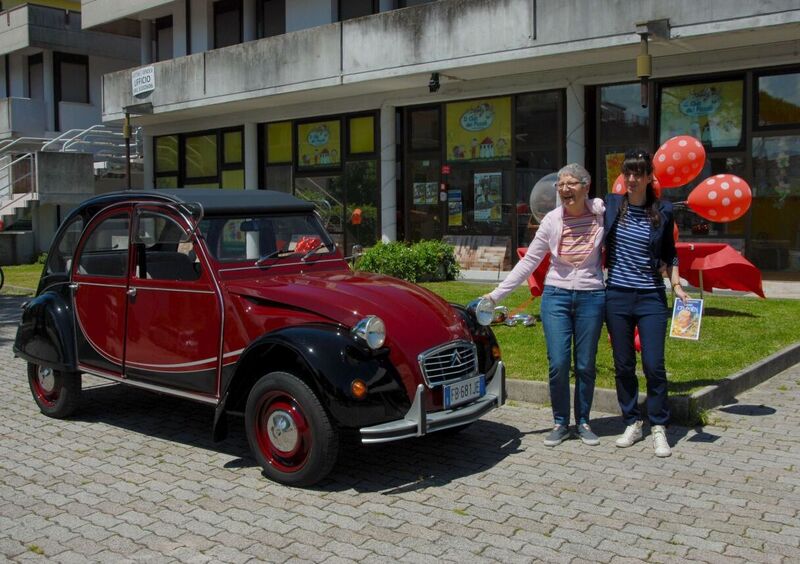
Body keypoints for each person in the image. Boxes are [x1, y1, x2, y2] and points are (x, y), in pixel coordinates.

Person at [484, 164, 606, 447]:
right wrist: (495, 296)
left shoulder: (601, 215)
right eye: (560, 185)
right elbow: (529, 262)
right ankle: (561, 422)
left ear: (586, 186)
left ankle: (584, 421)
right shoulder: (552, 220)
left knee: (586, 364)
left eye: (571, 184)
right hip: (556, 297)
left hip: (592, 296)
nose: (564, 189)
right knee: (559, 363)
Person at [604, 149, 690, 458]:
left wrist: (677, 286)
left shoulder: (663, 210)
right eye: (627, 173)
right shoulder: (612, 205)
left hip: (651, 296)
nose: (631, 178)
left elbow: (671, 252)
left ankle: (658, 426)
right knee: (623, 363)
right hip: (616, 295)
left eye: (637, 173)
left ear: (649, 177)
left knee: (654, 365)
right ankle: (631, 421)